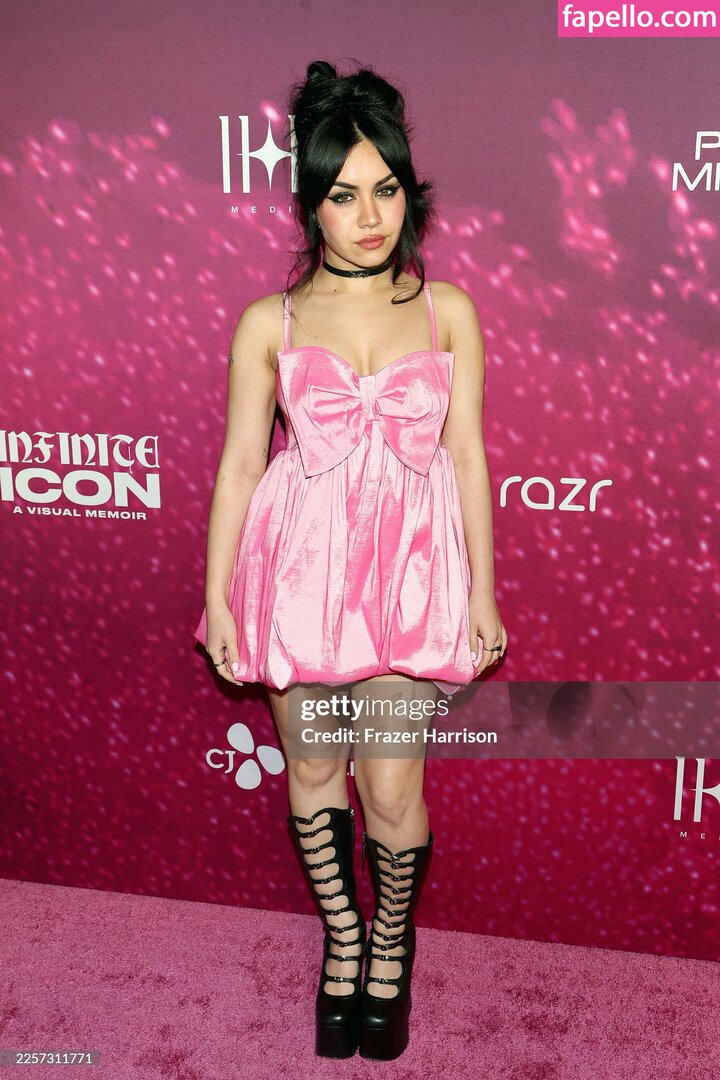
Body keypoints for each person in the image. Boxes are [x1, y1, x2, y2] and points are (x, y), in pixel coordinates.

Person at [194, 59, 507, 1061]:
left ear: (409, 192)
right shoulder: (269, 322)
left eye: (385, 189)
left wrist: (484, 592)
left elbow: (468, 456)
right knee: (317, 766)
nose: (369, 216)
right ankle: (343, 938)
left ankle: (391, 942)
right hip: (298, 575)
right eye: (342, 195)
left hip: (409, 577)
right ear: (309, 204)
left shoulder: (447, 308)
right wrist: (220, 604)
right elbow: (242, 467)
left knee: (394, 789)